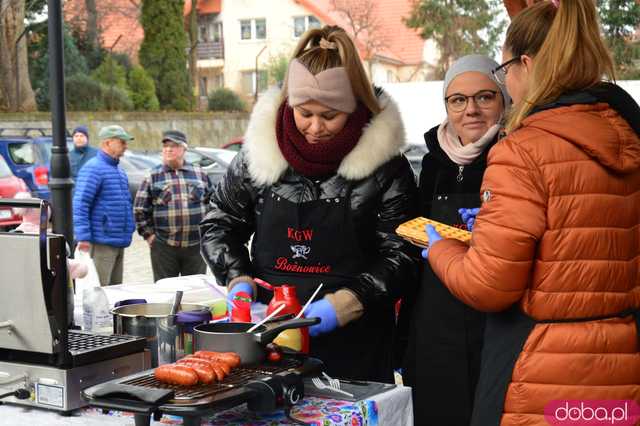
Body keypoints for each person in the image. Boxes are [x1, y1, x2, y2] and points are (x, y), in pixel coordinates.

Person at [424, 1, 640, 424]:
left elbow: (488, 285)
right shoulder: (627, 132)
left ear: (525, 64)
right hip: (620, 365)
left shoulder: (521, 151)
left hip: (541, 371)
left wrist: (441, 250)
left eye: (502, 74)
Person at [200, 25, 417, 383]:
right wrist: (237, 277)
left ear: (354, 107)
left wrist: (351, 300)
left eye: (330, 115)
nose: (315, 127)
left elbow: (402, 251)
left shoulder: (385, 167)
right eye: (304, 112)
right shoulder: (257, 156)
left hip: (355, 338)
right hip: (270, 336)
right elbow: (220, 222)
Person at [399, 54, 510, 426]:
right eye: (458, 100)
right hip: (434, 327)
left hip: (495, 326)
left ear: (505, 98)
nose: (471, 110)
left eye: (485, 97)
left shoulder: (516, 155)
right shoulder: (431, 163)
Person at [134, 130, 212, 282]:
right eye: (165, 146)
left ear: (184, 149)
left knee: (195, 291)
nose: (168, 149)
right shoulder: (153, 175)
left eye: (173, 146)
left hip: (196, 246)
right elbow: (139, 209)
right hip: (164, 247)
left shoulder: (200, 174)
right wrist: (149, 236)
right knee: (166, 292)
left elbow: (213, 206)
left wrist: (208, 234)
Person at [73, 125, 135, 286]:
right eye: (122, 142)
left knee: (115, 291)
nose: (126, 146)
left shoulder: (118, 170)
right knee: (99, 292)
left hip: (116, 240)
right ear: (108, 143)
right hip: (101, 242)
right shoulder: (93, 168)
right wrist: (83, 237)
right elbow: (80, 204)